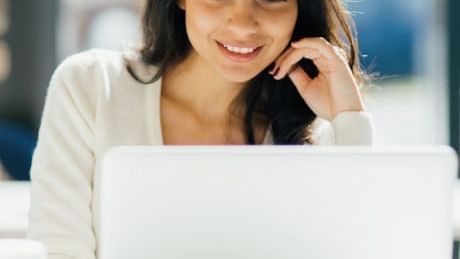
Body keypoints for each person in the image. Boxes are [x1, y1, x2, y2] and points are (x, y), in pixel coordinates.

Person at [27, 0, 374, 258]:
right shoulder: (90, 88)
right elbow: (59, 248)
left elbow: (355, 245)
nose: (242, 24)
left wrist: (348, 118)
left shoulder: (317, 135)